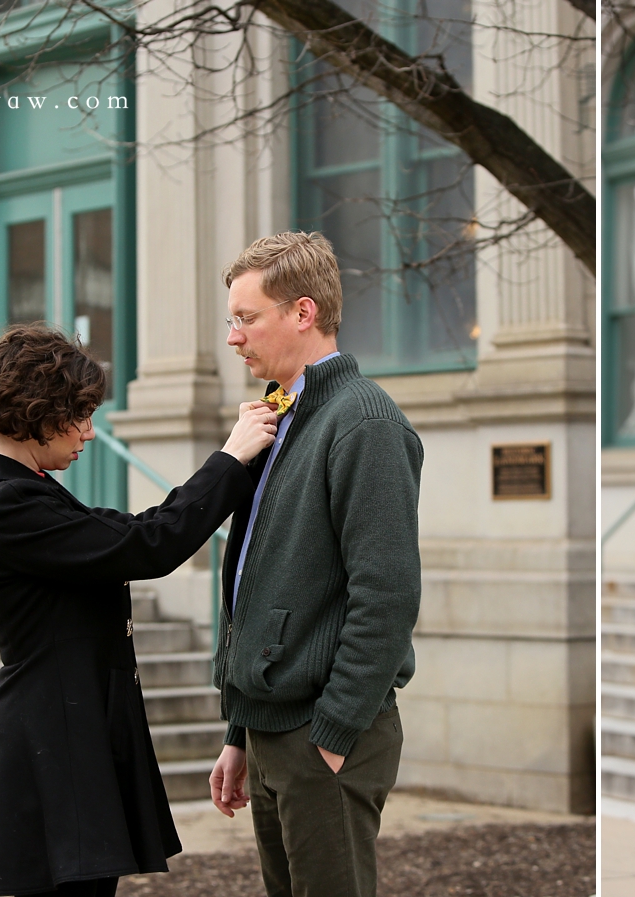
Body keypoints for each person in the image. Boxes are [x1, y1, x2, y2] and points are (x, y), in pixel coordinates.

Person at [0, 323, 279, 897]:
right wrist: (230, 458)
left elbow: (129, 533)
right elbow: (144, 545)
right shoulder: (6, 504)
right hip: (47, 745)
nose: (88, 431)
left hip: (67, 731)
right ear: (37, 414)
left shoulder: (27, 489)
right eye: (78, 415)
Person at [206, 232, 423, 897]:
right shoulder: (276, 419)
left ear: (303, 312)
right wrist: (241, 730)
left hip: (323, 736)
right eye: (232, 320)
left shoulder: (364, 421)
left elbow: (385, 595)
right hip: (273, 732)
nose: (235, 337)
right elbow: (258, 583)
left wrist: (331, 736)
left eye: (247, 318)